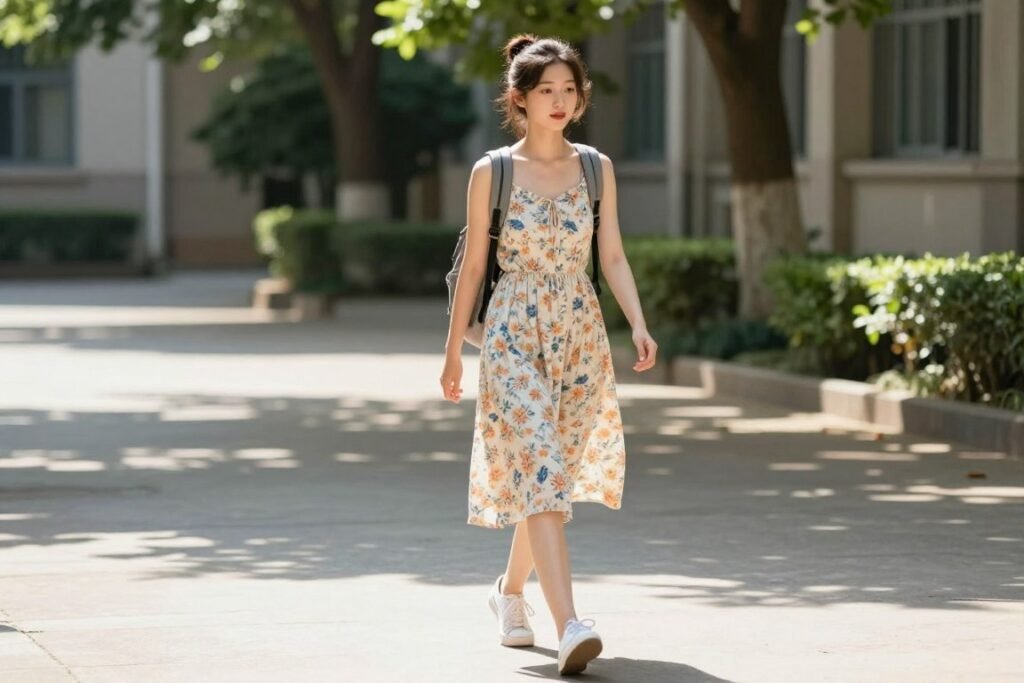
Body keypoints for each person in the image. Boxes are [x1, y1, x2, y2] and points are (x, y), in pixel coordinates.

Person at [440, 33, 657, 676]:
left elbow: (611, 254)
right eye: (547, 91)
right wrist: (453, 355)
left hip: (580, 334)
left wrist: (638, 324)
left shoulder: (596, 167)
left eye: (570, 89)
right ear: (521, 99)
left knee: (548, 478)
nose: (561, 101)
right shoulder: (493, 171)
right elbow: (475, 268)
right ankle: (569, 625)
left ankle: (509, 595)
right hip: (510, 335)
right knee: (538, 465)